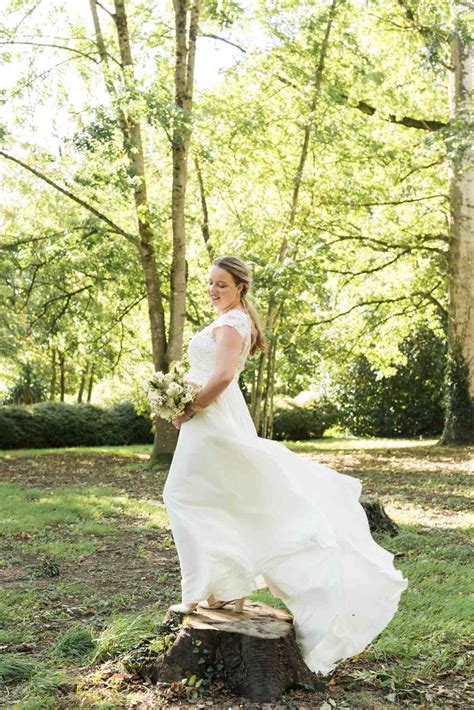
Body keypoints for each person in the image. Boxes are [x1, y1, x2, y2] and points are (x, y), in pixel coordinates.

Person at [162, 254, 408, 676]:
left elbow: (221, 377)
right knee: (217, 496)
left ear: (240, 287)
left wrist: (189, 405)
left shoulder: (231, 323)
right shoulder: (233, 320)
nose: (213, 290)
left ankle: (210, 588)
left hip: (213, 417)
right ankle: (220, 588)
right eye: (210, 284)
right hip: (211, 418)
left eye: (221, 284)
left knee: (182, 494)